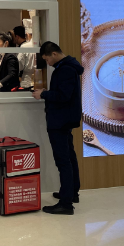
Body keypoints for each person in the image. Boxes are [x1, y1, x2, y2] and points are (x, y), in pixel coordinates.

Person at [32, 41, 84, 215]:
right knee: (69, 156)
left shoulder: (65, 70)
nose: (47, 63)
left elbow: (63, 96)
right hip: (65, 119)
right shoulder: (67, 67)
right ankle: (71, 192)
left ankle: (66, 204)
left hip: (60, 120)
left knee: (63, 161)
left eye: (47, 59)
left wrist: (43, 94)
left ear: (54, 54)